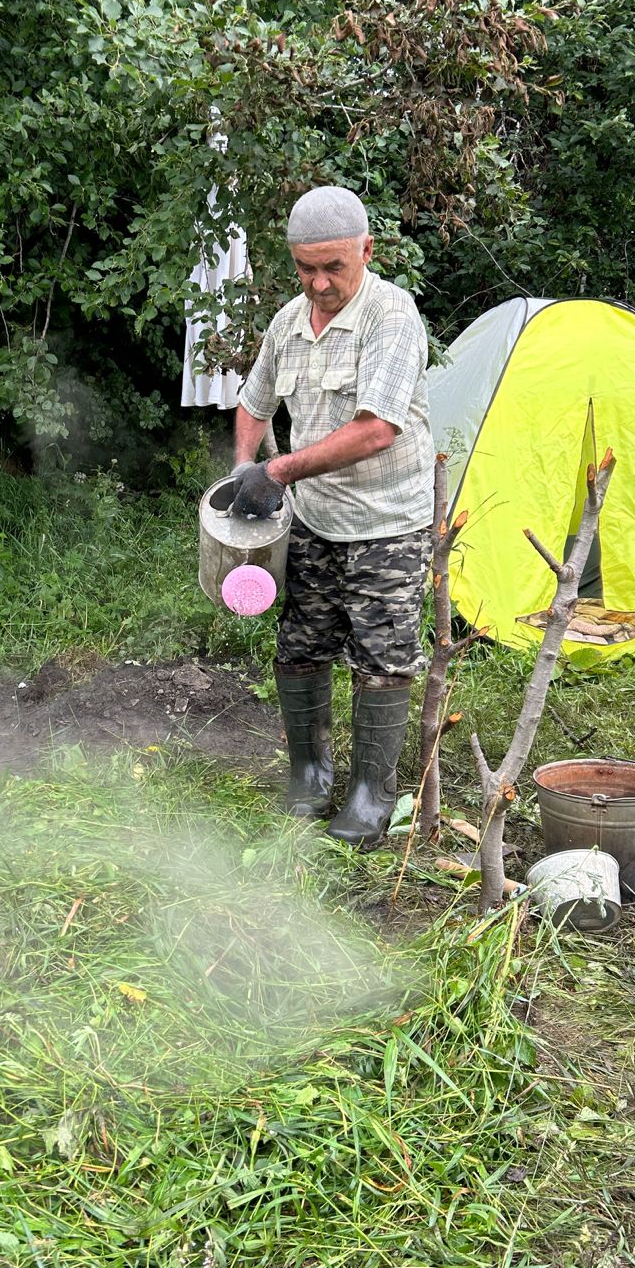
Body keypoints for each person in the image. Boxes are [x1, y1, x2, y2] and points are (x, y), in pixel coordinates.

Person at [230, 185, 434, 848]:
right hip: (313, 522)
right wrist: (243, 467)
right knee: (300, 649)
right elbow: (255, 401)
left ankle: (372, 795)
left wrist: (279, 470)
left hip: (388, 524)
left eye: (334, 268)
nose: (319, 283)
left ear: (366, 251)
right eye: (306, 267)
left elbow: (375, 430)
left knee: (381, 659)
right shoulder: (289, 322)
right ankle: (310, 777)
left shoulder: (391, 318)